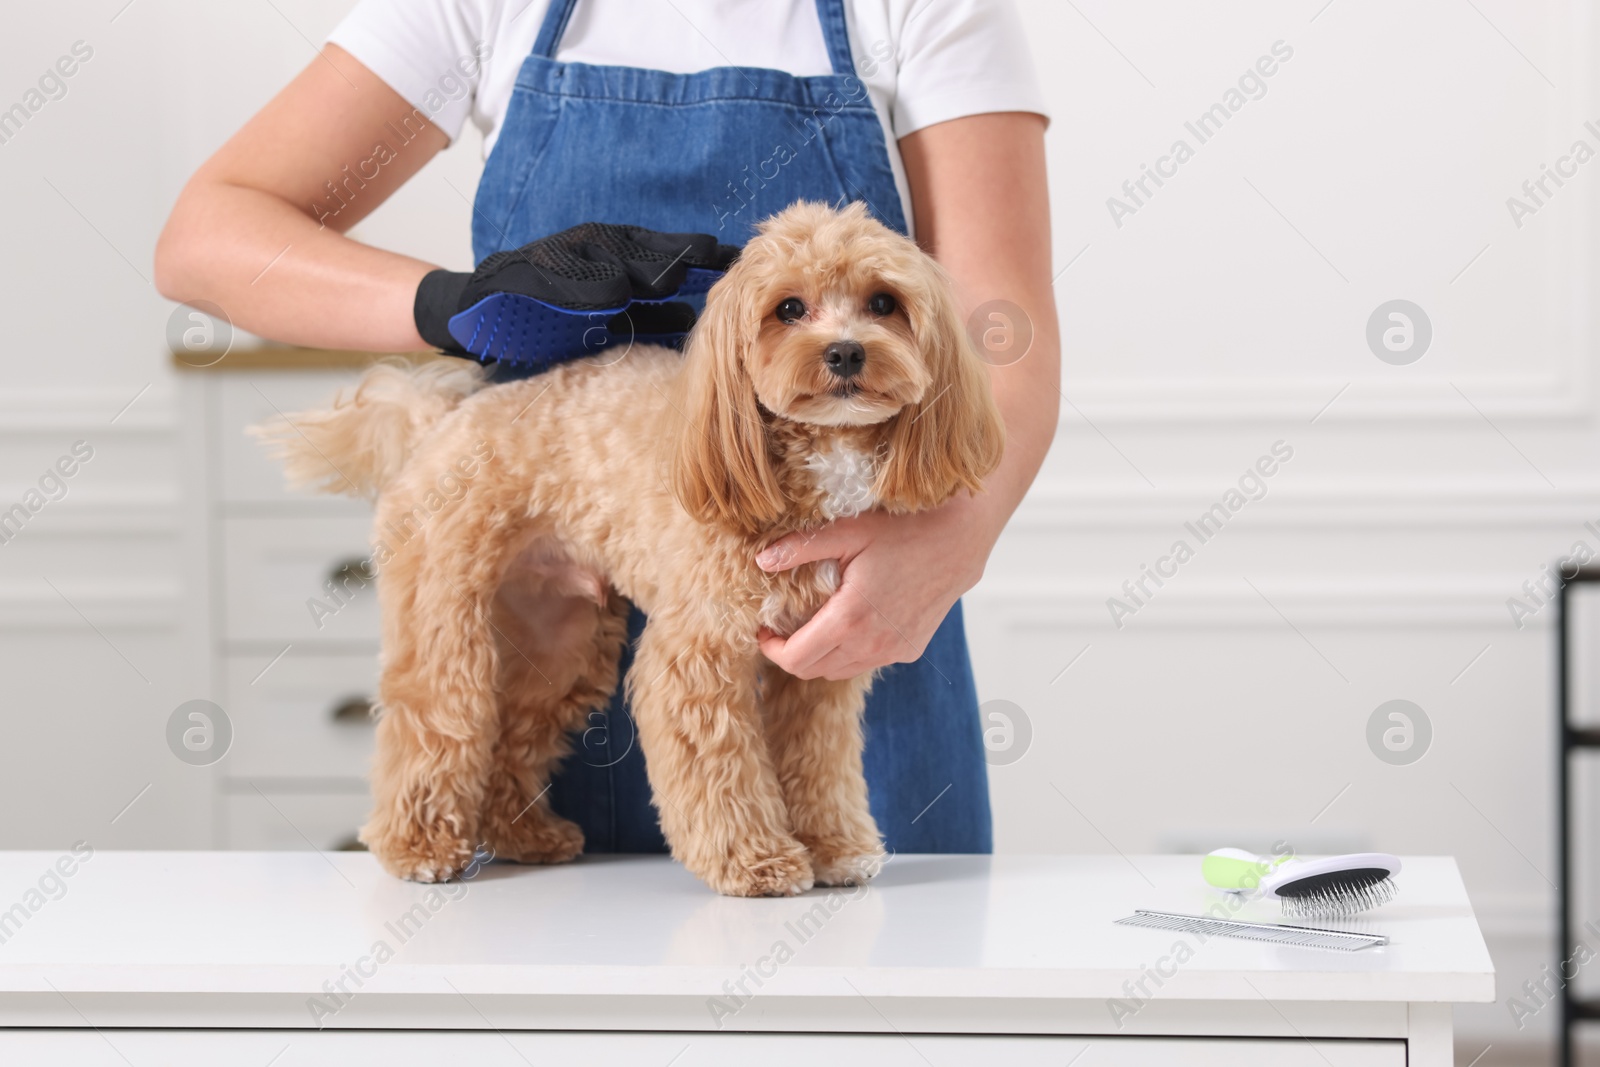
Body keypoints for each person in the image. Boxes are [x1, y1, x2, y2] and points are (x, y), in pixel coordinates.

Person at [155, 0, 1058, 856]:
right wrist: (456, 305)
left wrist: (954, 532)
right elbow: (205, 237)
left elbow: (1002, 331)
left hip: (866, 607)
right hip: (551, 604)